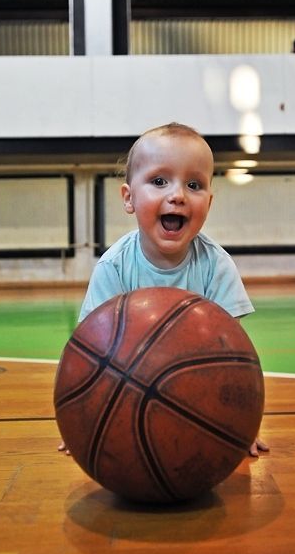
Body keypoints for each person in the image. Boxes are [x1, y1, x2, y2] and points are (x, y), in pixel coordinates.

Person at [58, 122, 268, 458]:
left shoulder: (216, 266)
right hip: (127, 396)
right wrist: (85, 419)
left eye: (194, 184)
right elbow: (91, 352)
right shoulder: (114, 267)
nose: (177, 195)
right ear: (129, 198)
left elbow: (232, 359)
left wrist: (238, 423)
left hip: (196, 399)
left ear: (209, 203)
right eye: (159, 181)